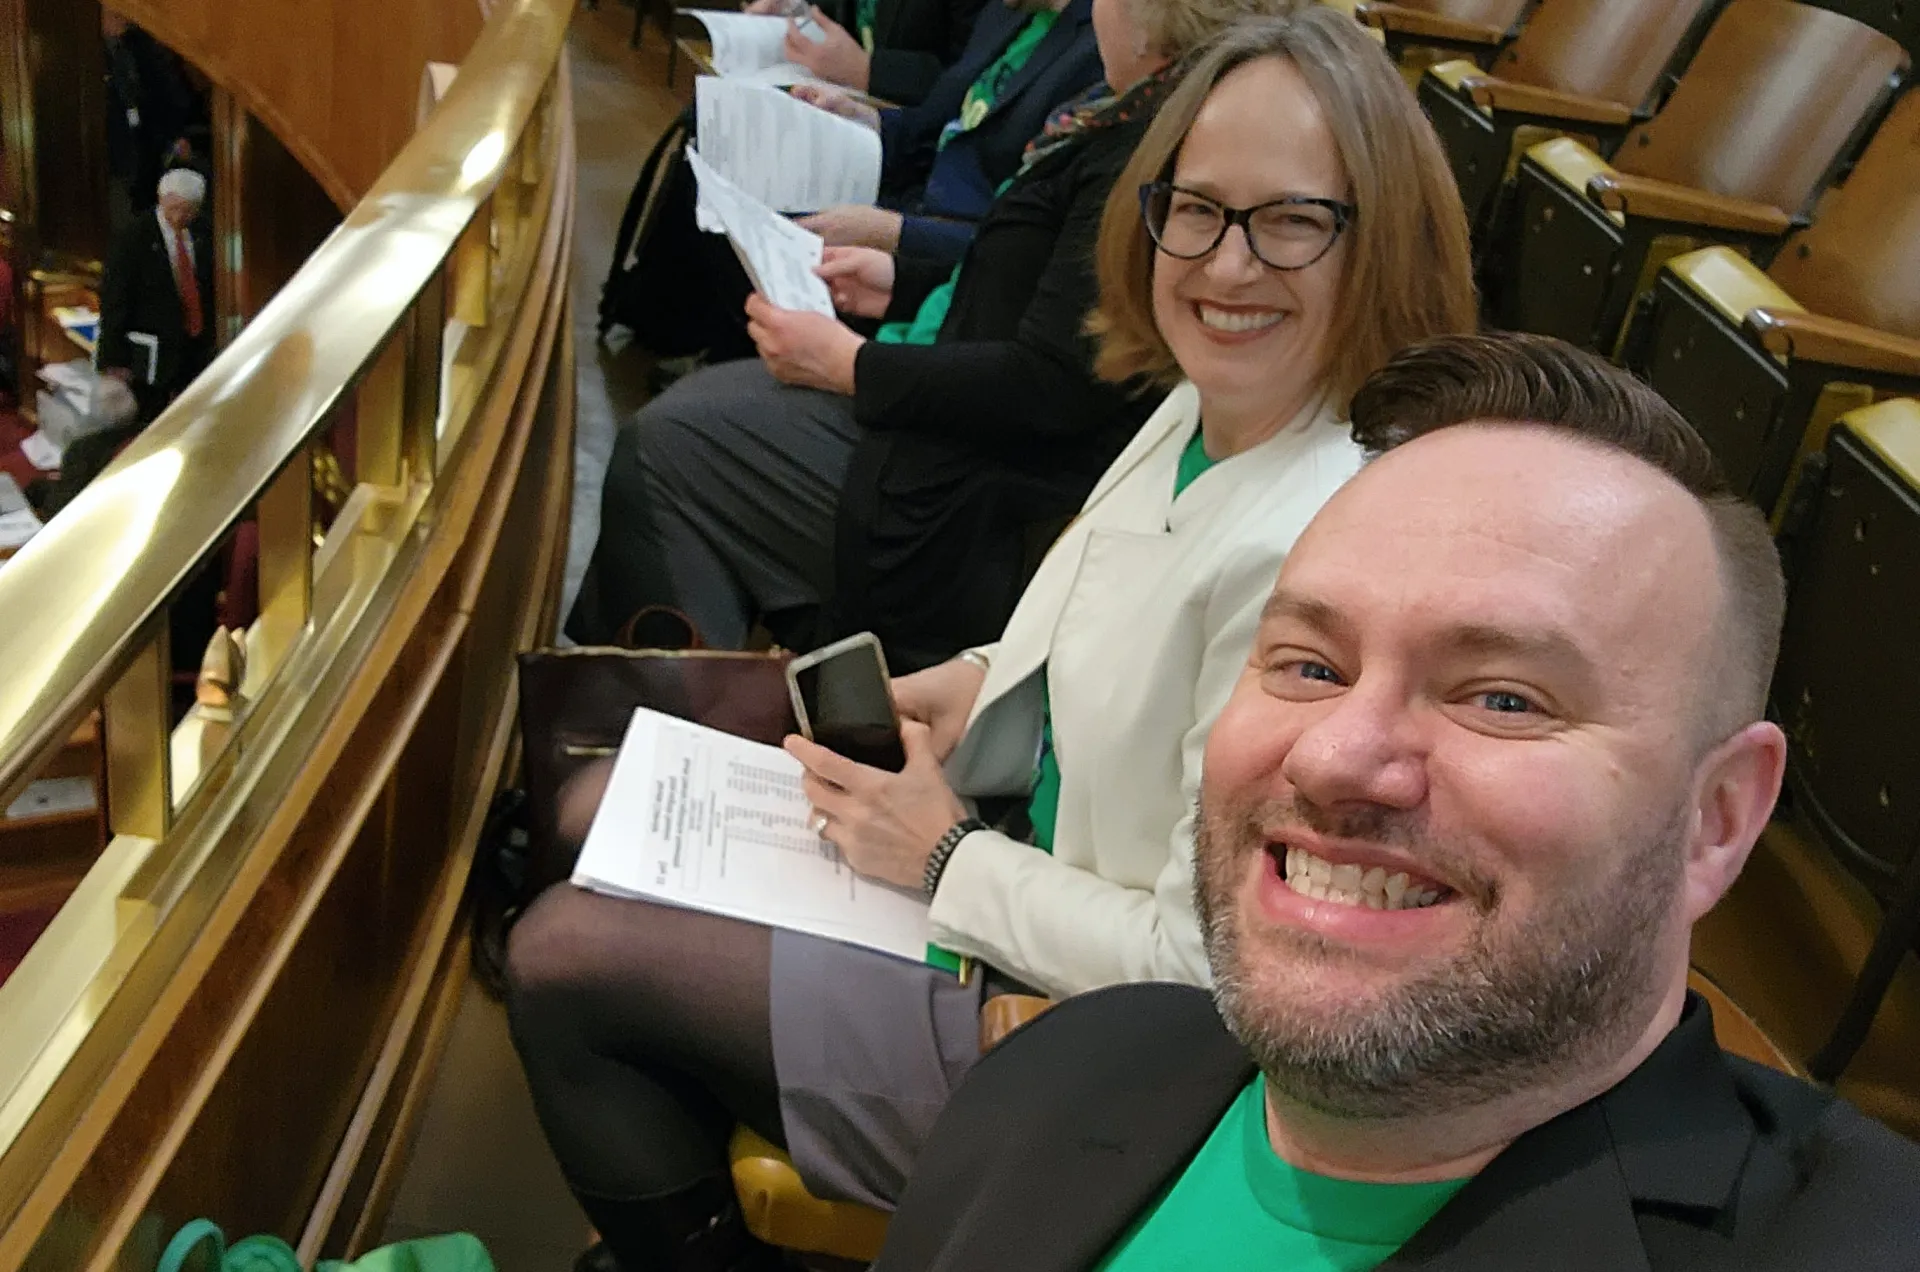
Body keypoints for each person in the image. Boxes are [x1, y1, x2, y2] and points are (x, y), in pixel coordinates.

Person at [514, 11, 1476, 1272]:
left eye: (1293, 219)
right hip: (1015, 874)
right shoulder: (1208, 401)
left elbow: (1208, 970)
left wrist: (945, 856)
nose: (1228, 265)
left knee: (564, 958)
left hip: (1109, 1040)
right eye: (1196, 210)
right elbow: (1090, 622)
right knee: (593, 805)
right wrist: (971, 693)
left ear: (1380, 237)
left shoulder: (1325, 545)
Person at [869, 331, 1920, 1272]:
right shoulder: (1067, 1063)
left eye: (1504, 697)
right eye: (1308, 665)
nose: (1333, 758)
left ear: (1720, 816)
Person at [97, 168, 214, 422]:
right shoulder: (133, 238)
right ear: (161, 200)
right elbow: (115, 299)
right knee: (150, 420)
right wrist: (113, 360)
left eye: (188, 210)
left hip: (194, 346)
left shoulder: (204, 231)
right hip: (151, 353)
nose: (180, 216)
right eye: (174, 209)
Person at [742, 0, 991, 107]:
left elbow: (974, 77)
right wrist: (794, 9)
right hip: (835, 102)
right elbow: (832, 20)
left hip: (910, 144)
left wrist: (867, 70)